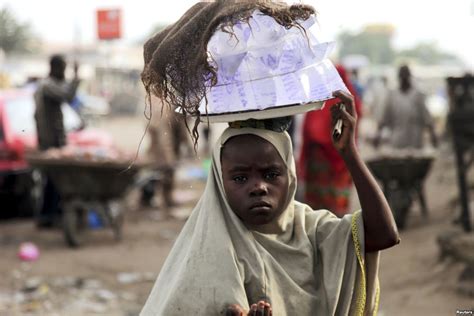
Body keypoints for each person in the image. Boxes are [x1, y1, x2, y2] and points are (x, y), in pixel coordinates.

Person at [140, 90, 399, 315]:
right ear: (219, 181)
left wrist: (349, 153)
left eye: (271, 174)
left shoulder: (313, 230)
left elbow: (383, 235)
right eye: (240, 177)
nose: (258, 187)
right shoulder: (206, 250)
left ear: (290, 174)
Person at [299, 65, 363, 217]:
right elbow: (358, 115)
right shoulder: (349, 98)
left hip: (319, 160)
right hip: (341, 160)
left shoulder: (319, 99)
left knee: (317, 211)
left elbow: (311, 131)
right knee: (337, 207)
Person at [34, 54, 80, 227]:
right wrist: (76, 76)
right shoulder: (47, 86)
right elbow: (68, 95)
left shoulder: (48, 85)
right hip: (50, 142)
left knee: (54, 181)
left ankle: (52, 215)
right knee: (53, 180)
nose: (64, 72)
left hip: (52, 141)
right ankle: (47, 216)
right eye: (63, 68)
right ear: (54, 67)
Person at [141, 95, 192, 211]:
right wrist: (170, 158)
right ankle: (147, 199)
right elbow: (165, 139)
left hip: (172, 144)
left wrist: (189, 148)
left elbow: (184, 132)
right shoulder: (165, 114)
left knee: (169, 172)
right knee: (158, 172)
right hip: (158, 146)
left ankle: (168, 199)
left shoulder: (180, 113)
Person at [374, 64, 437, 149]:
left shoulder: (418, 95)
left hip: (415, 140)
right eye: (402, 76)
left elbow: (427, 117)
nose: (404, 78)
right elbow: (384, 117)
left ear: (409, 77)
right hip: (397, 140)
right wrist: (378, 135)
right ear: (399, 77)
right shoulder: (392, 95)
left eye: (406, 76)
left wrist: (433, 135)